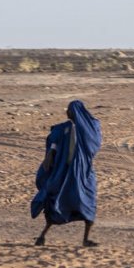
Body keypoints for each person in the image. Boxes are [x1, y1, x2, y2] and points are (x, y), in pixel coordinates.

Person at [31, 100, 102, 247]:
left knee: (88, 202)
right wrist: (50, 153)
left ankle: (86, 239)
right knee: (56, 200)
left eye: (69, 110)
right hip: (64, 173)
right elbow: (54, 141)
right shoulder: (64, 128)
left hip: (83, 173)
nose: (67, 113)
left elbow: (94, 144)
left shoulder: (89, 128)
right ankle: (42, 236)